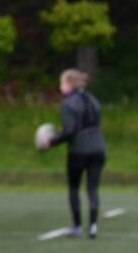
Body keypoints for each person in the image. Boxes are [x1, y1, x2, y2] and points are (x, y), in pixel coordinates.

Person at [43, 69, 106, 238]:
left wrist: (51, 141)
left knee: (73, 187)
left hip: (79, 151)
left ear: (69, 84)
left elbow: (69, 130)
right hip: (98, 149)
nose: (60, 86)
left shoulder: (68, 104)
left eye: (61, 83)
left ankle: (77, 226)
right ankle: (93, 226)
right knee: (92, 188)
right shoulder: (93, 100)